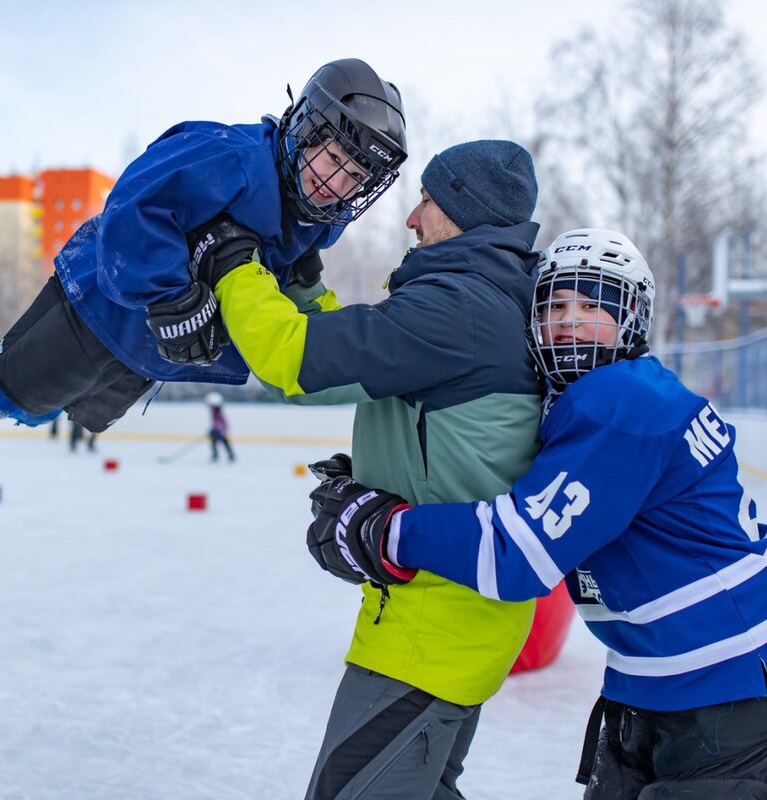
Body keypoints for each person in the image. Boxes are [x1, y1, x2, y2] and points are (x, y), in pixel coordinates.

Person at [306, 228, 767, 799]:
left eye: (592, 305)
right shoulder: (607, 394)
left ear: (631, 317)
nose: (569, 320)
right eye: (555, 305)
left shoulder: (620, 401)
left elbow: (518, 555)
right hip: (675, 674)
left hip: (736, 681)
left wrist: (385, 528)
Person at [0, 58, 408, 507]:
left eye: (353, 176)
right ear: (305, 129)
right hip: (101, 305)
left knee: (33, 411)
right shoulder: (231, 156)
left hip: (146, 350)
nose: (335, 182)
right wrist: (169, 294)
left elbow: (280, 279)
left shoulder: (311, 223)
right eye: (332, 159)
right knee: (8, 389)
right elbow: (135, 204)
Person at [193, 140, 542, 798]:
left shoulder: (456, 309)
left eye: (429, 201)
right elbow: (358, 356)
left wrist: (233, 264)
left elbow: (294, 363)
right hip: (459, 625)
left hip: (429, 637)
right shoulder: (489, 300)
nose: (413, 218)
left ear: (464, 211)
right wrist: (301, 284)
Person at [205, 391, 234, 462]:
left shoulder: (217, 412)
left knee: (221, 442)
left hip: (220, 431)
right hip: (220, 430)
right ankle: (229, 455)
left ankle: (228, 455)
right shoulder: (216, 412)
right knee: (220, 443)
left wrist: (216, 429)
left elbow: (220, 422)